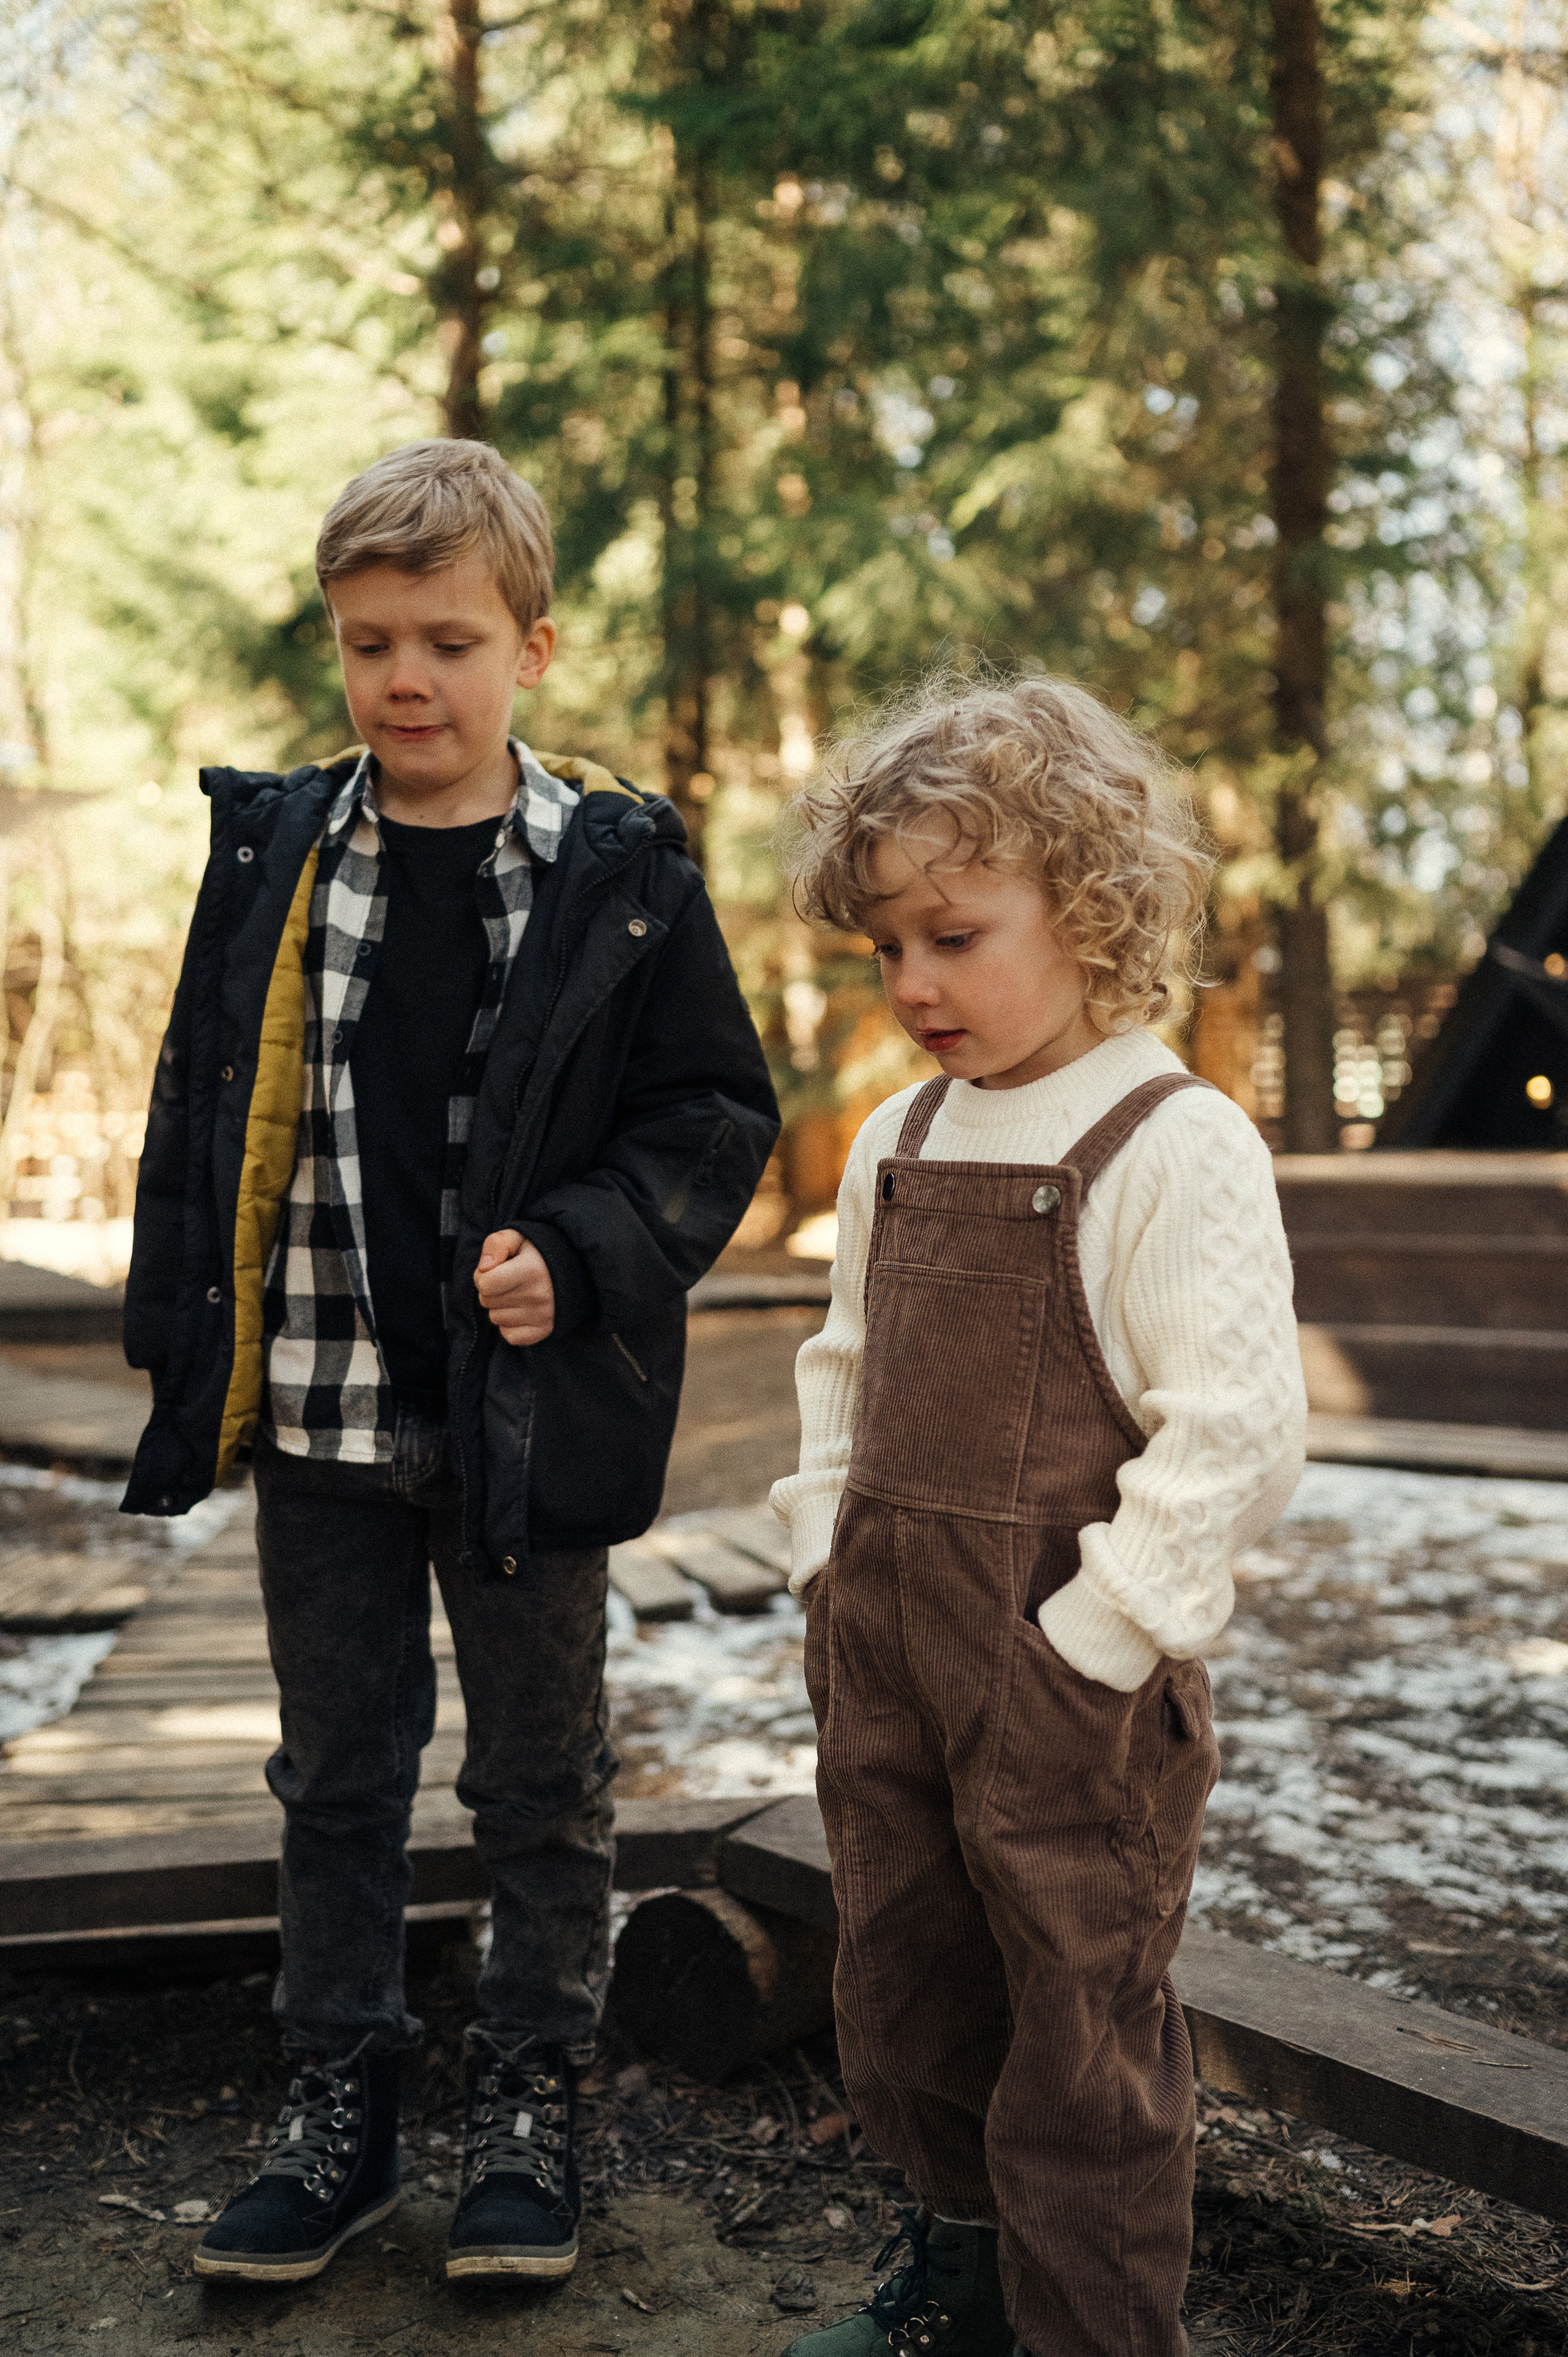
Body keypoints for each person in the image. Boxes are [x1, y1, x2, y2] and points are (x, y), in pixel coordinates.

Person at [120, 439, 778, 2286]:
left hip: (522, 1425)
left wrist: (579, 1255)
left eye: (451, 642)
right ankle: (338, 2104)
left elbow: (711, 1115)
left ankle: (530, 2101)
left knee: (538, 1782)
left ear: (535, 651)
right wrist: (184, 1342)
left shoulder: (617, 869)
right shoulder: (277, 856)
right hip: (323, 1412)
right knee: (335, 1775)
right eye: (371, 642)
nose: (408, 680)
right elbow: (202, 1113)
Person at [769, 675, 1305, 2357]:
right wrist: (819, 1556)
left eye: (954, 935)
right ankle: (958, 2278)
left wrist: (1091, 1642)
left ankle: (1086, 2327)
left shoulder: (1172, 1140)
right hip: (884, 1648)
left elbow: (1235, 1434)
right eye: (886, 951)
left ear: (1087, 907)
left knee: (1077, 2030)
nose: (914, 984)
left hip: (1071, 1682)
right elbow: (845, 1363)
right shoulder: (898, 1138)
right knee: (908, 1983)